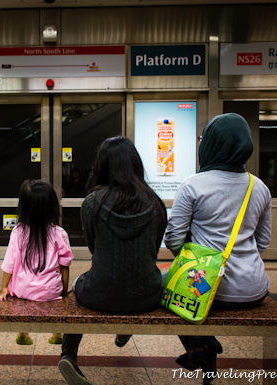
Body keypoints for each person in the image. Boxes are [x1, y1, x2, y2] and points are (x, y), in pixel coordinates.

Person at [164, 113, 272, 384]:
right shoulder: (259, 187)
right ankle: (203, 347)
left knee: (167, 285)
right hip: (255, 289)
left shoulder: (193, 185)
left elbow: (173, 240)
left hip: (210, 289)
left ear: (211, 144)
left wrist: (197, 262)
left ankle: (200, 345)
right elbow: (264, 242)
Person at [58, 136, 167, 385]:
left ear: (103, 166)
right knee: (147, 277)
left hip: (99, 294)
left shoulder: (91, 203)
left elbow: (95, 248)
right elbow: (154, 249)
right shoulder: (156, 203)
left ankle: (68, 355)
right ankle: (124, 330)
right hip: (147, 296)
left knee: (77, 287)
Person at [0, 179, 74, 345]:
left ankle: (23, 333)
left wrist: (4, 288)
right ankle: (57, 333)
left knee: (21, 298)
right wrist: (63, 290)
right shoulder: (59, 233)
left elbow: (9, 263)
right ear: (51, 206)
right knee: (56, 303)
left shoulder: (18, 232)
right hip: (51, 292)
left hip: (22, 290)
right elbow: (64, 265)